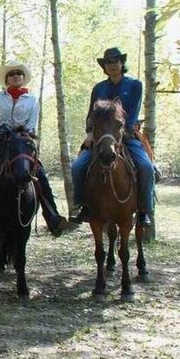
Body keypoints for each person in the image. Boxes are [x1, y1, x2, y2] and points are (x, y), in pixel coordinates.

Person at [0, 60, 71, 236]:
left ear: (23, 78)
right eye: (12, 74)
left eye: (19, 74)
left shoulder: (32, 100)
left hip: (23, 142)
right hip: (2, 141)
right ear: (6, 79)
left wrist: (22, 133)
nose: (16, 76)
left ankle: (52, 216)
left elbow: (32, 123)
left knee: (40, 174)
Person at [69, 47, 155, 226]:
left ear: (122, 63)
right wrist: (90, 133)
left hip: (127, 135)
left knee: (146, 167)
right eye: (108, 62)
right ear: (104, 66)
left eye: (116, 61)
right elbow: (90, 116)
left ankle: (144, 210)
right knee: (77, 167)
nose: (112, 65)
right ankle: (83, 206)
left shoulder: (134, 85)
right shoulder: (98, 88)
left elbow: (131, 115)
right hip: (100, 137)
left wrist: (122, 131)